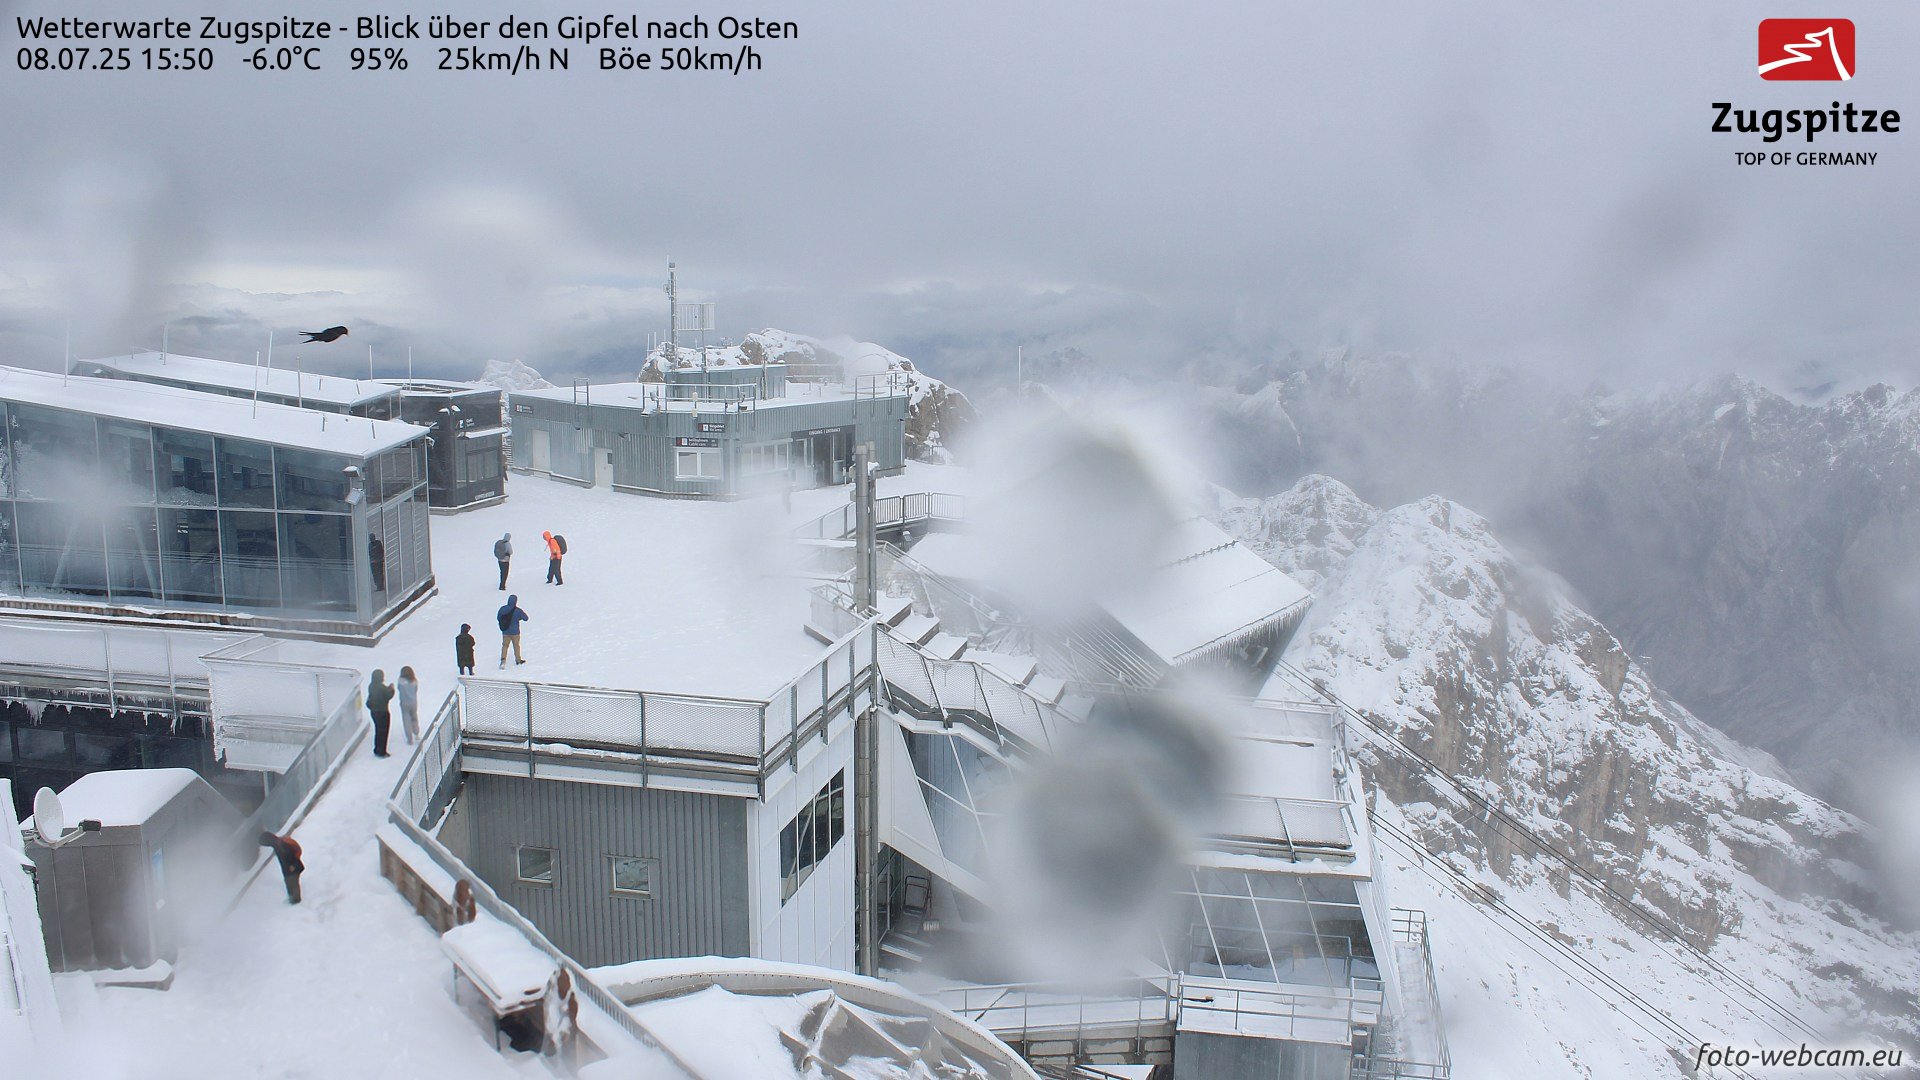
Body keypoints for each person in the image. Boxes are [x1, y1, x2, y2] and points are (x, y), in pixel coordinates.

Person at [258, 831, 304, 904]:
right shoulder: (278, 843)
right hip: (289, 869)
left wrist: (292, 867)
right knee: (290, 883)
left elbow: (291, 856)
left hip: (292, 869)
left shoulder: (281, 845)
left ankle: (296, 902)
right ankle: (292, 899)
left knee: (292, 883)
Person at [367, 669, 395, 757]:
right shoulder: (382, 688)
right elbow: (388, 695)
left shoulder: (371, 686)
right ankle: (382, 751)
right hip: (383, 712)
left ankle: (377, 749)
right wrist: (392, 689)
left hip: (374, 712)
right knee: (383, 732)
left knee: (378, 731)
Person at [498, 594, 529, 667]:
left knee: (505, 645)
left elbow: (498, 618)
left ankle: (503, 660)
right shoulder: (518, 610)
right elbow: (526, 618)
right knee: (516, 646)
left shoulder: (502, 609)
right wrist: (518, 618)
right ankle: (518, 660)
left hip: (505, 631)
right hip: (515, 632)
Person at [396, 666, 421, 745]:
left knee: (406, 719)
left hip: (404, 702)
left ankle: (409, 738)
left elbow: (398, 688)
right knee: (414, 717)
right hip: (413, 702)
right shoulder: (414, 681)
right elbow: (416, 690)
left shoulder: (401, 681)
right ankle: (416, 733)